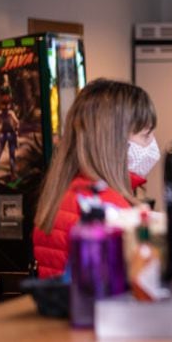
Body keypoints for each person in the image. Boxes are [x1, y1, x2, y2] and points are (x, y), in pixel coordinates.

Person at [33, 79, 159, 278]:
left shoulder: (66, 191)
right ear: (115, 141)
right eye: (146, 135)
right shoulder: (107, 207)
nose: (153, 144)